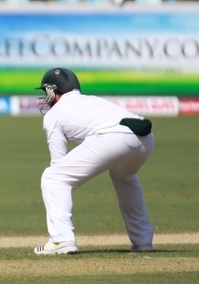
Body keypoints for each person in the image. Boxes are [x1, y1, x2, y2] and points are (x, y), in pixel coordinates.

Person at [32, 67, 155, 255]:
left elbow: (58, 163)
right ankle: (143, 241)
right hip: (145, 138)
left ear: (52, 90)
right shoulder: (91, 100)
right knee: (123, 177)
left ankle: (61, 240)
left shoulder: (53, 115)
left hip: (114, 137)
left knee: (53, 178)